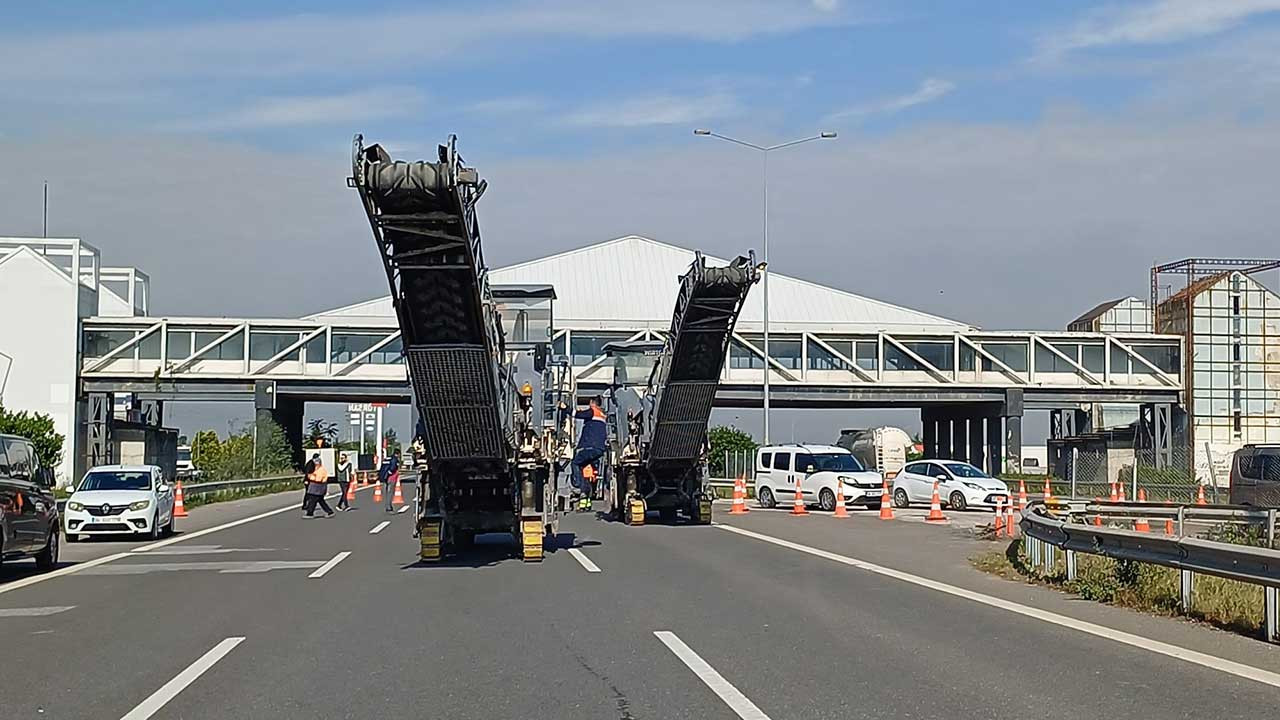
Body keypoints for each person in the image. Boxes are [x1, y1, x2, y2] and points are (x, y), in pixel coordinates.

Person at [562, 396, 606, 511]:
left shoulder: (592, 411)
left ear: (592, 403)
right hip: (599, 450)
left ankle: (577, 485)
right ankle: (586, 500)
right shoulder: (601, 414)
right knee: (586, 473)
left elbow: (576, 414)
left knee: (576, 463)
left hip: (589, 448)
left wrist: (565, 408)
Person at [303, 454, 335, 518]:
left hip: (318, 487)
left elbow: (318, 479)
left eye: (316, 463)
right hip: (316, 488)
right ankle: (329, 512)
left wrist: (310, 477)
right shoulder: (317, 469)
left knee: (313, 501)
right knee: (320, 501)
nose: (315, 464)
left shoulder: (321, 470)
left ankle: (310, 513)